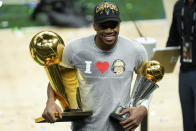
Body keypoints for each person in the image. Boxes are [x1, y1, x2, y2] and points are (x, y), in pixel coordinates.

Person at [42, 1, 151, 131]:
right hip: (85, 127)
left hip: (120, 126)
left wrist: (143, 108)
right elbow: (57, 78)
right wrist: (50, 102)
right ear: (94, 26)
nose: (109, 30)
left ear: (119, 24)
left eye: (113, 25)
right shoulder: (75, 48)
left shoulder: (135, 50)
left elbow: (148, 79)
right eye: (103, 26)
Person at [166, 0, 196, 130]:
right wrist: (163, 60)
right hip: (185, 71)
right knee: (188, 120)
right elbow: (173, 37)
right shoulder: (179, 6)